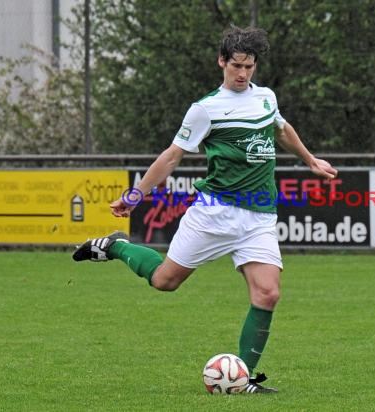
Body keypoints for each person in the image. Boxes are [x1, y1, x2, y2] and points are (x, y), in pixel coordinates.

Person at [73, 26, 337, 394]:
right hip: (214, 213)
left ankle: (244, 379)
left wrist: (310, 160)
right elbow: (172, 157)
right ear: (221, 62)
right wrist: (136, 195)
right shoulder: (205, 109)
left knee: (268, 294)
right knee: (166, 281)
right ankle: (117, 246)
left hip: (259, 216)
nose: (243, 74)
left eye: (249, 66)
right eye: (236, 66)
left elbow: (281, 129)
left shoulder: (265, 98)